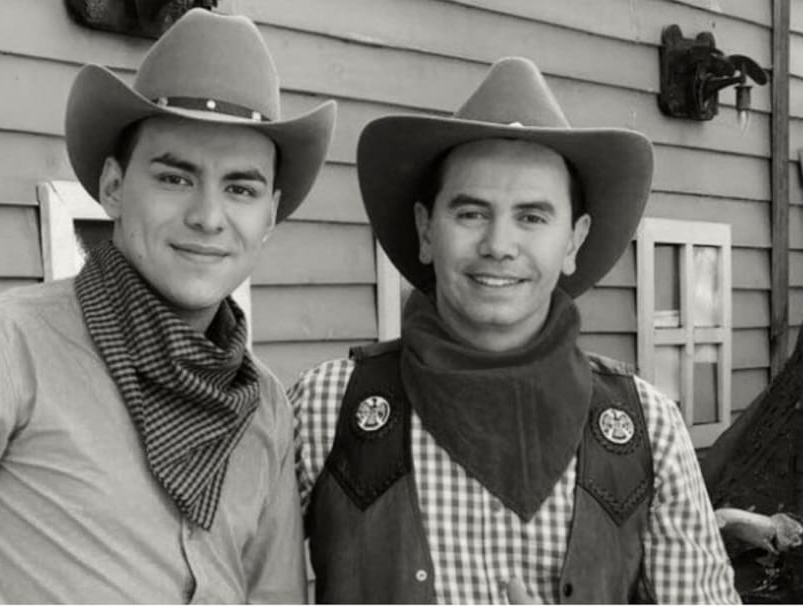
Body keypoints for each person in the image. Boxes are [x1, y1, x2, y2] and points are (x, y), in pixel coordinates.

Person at [0, 9, 335, 603]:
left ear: (270, 216)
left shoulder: (264, 408)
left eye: (240, 188)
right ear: (113, 187)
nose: (208, 216)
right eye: (175, 178)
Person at [290, 57, 739, 603]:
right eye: (471, 213)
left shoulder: (650, 429)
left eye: (532, 217)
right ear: (426, 230)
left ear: (573, 241)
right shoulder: (325, 407)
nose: (499, 245)